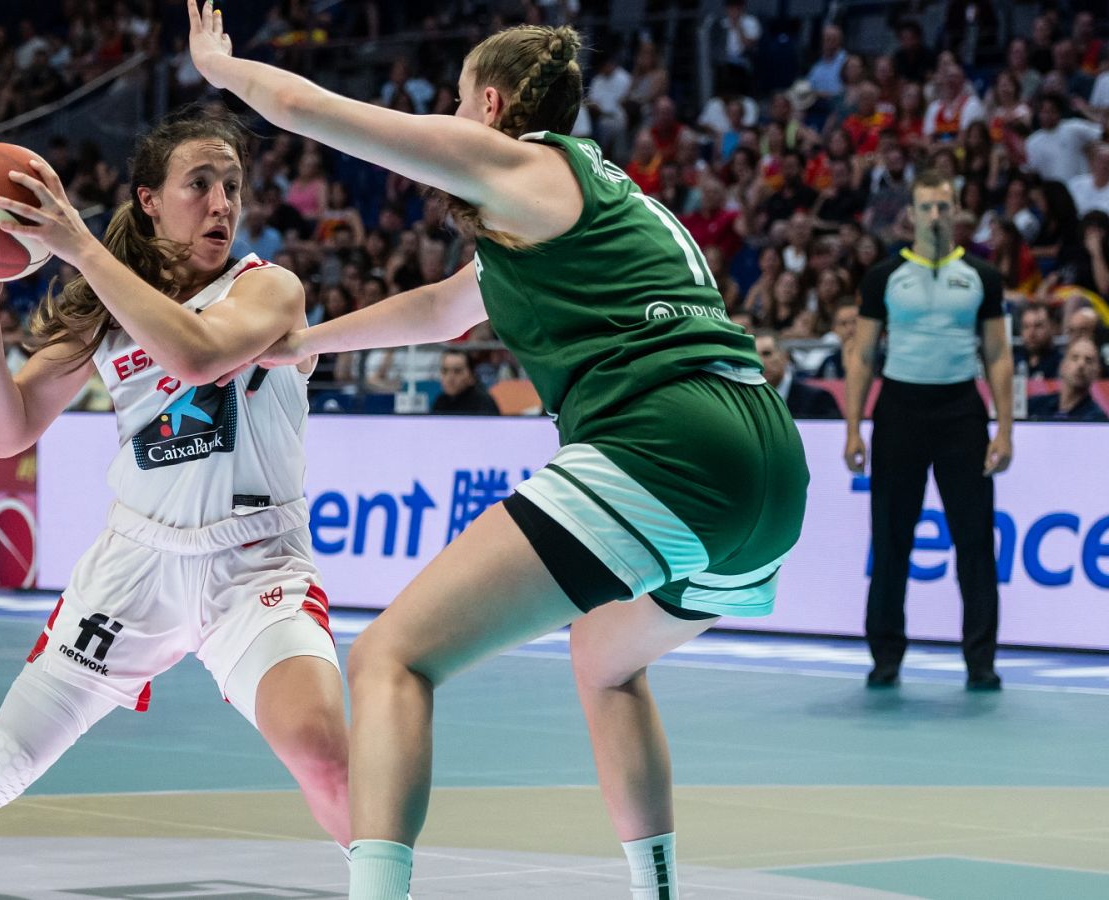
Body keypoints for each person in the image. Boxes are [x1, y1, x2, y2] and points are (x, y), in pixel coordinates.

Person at [185, 6, 810, 899]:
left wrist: (220, 67)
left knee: (391, 658)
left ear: (489, 104)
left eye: (456, 100)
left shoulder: (522, 165)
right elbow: (443, 309)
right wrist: (304, 344)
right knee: (605, 662)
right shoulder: (588, 203)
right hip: (769, 467)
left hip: (664, 442)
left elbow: (312, 110)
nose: (450, 114)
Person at [0, 108, 351, 900]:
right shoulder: (103, 309)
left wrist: (79, 247)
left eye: (232, 186)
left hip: (254, 565)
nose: (222, 204)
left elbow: (198, 357)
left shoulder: (268, 288)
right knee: (3, 759)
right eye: (200, 184)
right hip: (133, 570)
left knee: (321, 747)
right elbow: (5, 432)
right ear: (150, 201)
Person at [845, 171, 1010, 692]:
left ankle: (981, 661)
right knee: (890, 539)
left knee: (975, 541)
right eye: (926, 208)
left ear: (955, 212)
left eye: (943, 207)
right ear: (911, 215)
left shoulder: (982, 276)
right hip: (899, 411)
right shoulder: (883, 276)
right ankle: (885, 656)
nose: (935, 216)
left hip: (962, 413)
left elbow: (998, 355)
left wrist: (1004, 430)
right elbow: (862, 355)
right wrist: (853, 429)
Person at [755, 331, 841, 419]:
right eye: (753, 356)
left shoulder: (818, 399)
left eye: (767, 354)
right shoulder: (747, 401)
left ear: (785, 357)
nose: (760, 362)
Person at [1028, 337, 1108, 421]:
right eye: (1074, 358)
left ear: (1097, 372)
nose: (1081, 365)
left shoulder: (1097, 419)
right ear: (1062, 365)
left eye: (1088, 360)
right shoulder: (1035, 405)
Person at [431, 349, 499, 415]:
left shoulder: (483, 403)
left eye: (457, 371)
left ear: (471, 376)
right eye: (445, 371)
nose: (449, 378)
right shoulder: (440, 402)